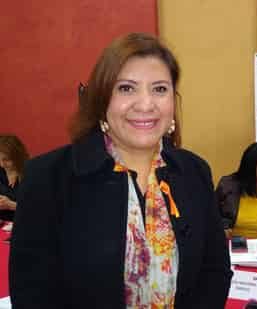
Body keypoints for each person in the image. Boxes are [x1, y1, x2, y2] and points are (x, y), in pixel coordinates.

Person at [10, 33, 232, 309]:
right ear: (102, 100)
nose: (146, 104)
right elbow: (32, 293)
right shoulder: (47, 177)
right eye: (127, 88)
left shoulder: (194, 171)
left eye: (159, 89)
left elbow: (215, 270)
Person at [0, 134, 29, 221]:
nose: (2, 164)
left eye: (6, 159)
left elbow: (40, 209)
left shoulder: (31, 173)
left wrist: (11, 205)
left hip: (23, 223)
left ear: (17, 156)